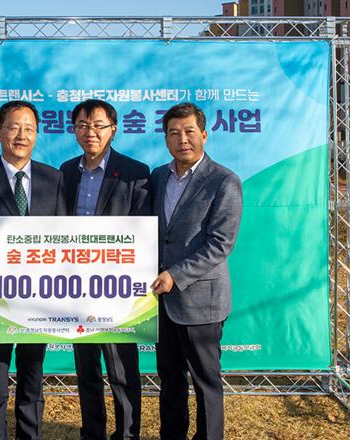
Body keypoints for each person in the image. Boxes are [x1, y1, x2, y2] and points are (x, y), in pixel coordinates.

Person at [0, 100, 66, 440]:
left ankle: (29, 435)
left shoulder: (54, 178)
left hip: (40, 297)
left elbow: (64, 234)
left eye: (29, 129)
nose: (21, 135)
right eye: (14, 127)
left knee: (33, 373)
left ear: (37, 134)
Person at [150, 102, 242, 440]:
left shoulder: (224, 181)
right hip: (160, 301)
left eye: (189, 131)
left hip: (201, 300)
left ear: (204, 134)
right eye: (174, 133)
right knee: (170, 378)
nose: (182, 140)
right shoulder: (158, 177)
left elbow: (220, 244)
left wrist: (175, 275)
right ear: (165, 138)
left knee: (206, 382)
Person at [59, 99, 149, 440]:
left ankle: (127, 434)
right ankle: (92, 432)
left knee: (122, 369)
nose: (90, 132)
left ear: (113, 129)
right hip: (77, 288)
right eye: (83, 126)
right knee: (87, 369)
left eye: (98, 125)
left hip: (117, 287)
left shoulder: (134, 172)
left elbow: (144, 229)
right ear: (74, 131)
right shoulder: (66, 171)